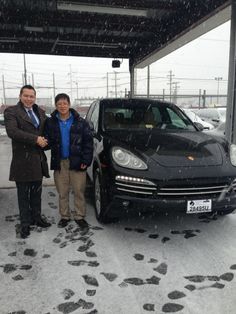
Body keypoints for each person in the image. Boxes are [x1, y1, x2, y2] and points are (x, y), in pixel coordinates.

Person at [4, 85, 51, 239]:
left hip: (38, 159)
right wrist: (35, 139)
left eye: (32, 96)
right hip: (22, 160)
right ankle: (25, 223)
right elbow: (12, 132)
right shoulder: (11, 112)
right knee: (23, 194)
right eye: (26, 96)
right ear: (20, 96)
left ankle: (37, 218)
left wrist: (46, 140)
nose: (29, 99)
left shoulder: (40, 112)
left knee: (36, 193)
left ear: (35, 97)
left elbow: (47, 132)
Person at [44, 93, 93, 230]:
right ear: (56, 106)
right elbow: (47, 140)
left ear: (69, 104)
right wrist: (43, 143)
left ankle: (79, 216)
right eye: (59, 104)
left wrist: (86, 160)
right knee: (62, 191)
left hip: (77, 161)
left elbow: (88, 143)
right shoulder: (51, 122)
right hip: (60, 162)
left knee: (78, 190)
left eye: (64, 103)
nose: (62, 106)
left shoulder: (80, 122)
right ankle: (64, 216)